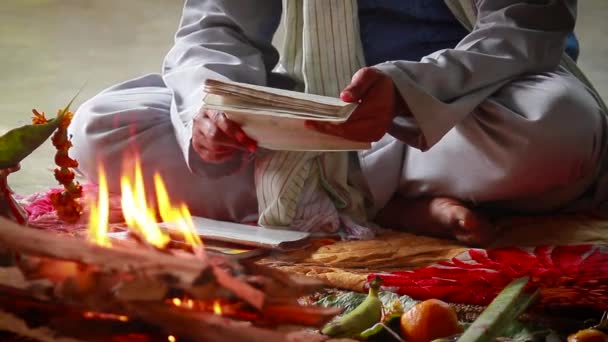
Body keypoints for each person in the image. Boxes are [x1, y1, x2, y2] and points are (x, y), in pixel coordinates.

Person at [69, 0, 607, 246]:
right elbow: (217, 27)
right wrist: (211, 109)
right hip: (316, 104)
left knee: (554, 129)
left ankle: (337, 195)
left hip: (462, 106)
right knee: (101, 131)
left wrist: (410, 90)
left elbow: (527, 28)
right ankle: (394, 204)